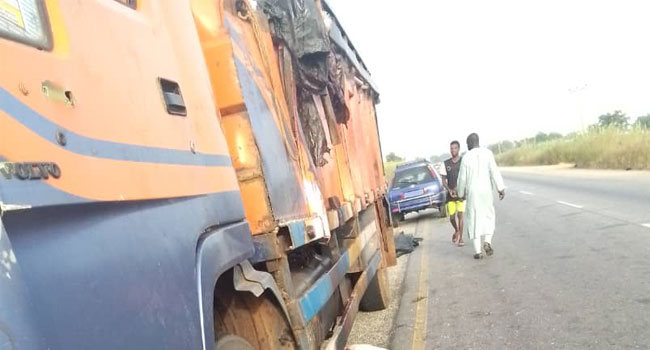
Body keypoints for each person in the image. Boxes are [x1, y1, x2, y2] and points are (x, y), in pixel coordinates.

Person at [457, 133, 506, 259]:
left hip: (473, 193)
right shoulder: (488, 153)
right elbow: (494, 171)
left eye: (467, 143)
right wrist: (500, 188)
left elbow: (462, 179)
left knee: (474, 219)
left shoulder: (466, 157)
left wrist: (460, 194)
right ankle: (487, 242)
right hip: (486, 191)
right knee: (489, 216)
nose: (467, 145)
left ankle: (477, 252)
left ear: (470, 143)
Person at [441, 140, 464, 247]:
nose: (453, 150)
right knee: (451, 217)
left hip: (460, 194)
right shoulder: (446, 163)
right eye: (451, 148)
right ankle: (456, 230)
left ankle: (461, 238)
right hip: (450, 195)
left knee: (460, 216)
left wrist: (458, 188)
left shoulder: (463, 162)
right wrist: (449, 190)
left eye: (455, 148)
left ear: (458, 149)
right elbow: (443, 180)